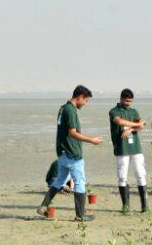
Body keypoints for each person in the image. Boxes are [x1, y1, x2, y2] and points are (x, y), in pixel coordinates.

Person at [37, 85, 103, 221]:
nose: (86, 104)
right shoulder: (70, 110)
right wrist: (92, 140)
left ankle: (43, 206)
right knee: (80, 181)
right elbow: (72, 133)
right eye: (86, 101)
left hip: (62, 152)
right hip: (72, 153)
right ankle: (80, 215)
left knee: (60, 180)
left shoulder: (63, 108)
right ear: (80, 97)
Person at [109, 89, 148, 213]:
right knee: (122, 177)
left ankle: (144, 206)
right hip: (122, 149)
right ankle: (126, 205)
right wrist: (135, 125)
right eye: (126, 101)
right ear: (121, 98)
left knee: (141, 175)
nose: (128, 103)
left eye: (130, 101)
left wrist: (130, 129)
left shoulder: (134, 111)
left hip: (135, 148)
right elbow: (119, 122)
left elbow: (142, 125)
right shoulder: (114, 111)